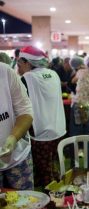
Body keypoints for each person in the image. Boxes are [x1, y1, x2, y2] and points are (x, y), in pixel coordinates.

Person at [18, 46, 66, 187]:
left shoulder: (27, 78)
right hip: (58, 127)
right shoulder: (53, 74)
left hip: (41, 131)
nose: (19, 68)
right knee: (51, 164)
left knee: (44, 168)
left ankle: (53, 199)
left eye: (20, 64)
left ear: (27, 63)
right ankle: (57, 186)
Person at [0, 62, 33, 190]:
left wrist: (13, 138)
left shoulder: (5, 72)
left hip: (18, 156)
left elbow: (25, 111)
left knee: (25, 204)